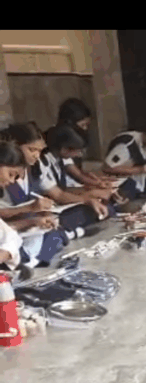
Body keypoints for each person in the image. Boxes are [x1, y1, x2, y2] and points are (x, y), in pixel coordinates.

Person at [0, 123, 104, 241]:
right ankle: (66, 234)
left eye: (39, 151)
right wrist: (29, 209)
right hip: (13, 226)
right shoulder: (3, 176)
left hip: (30, 221)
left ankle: (62, 234)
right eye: (32, 150)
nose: (36, 156)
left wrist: (44, 212)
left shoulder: (34, 169)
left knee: (78, 214)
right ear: (15, 146)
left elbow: (58, 194)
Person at [0, 141, 67, 273]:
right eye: (10, 174)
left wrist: (33, 222)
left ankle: (29, 260)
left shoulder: (34, 173)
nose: (12, 181)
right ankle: (31, 260)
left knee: (52, 233)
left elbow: (5, 231)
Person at [55, 97, 118, 192]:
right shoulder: (60, 143)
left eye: (86, 125)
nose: (85, 129)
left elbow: (78, 174)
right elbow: (76, 175)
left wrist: (95, 179)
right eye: (82, 125)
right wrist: (97, 183)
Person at [102, 122, 146, 200]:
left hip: (139, 182)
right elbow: (107, 168)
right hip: (119, 182)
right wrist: (139, 169)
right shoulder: (127, 143)